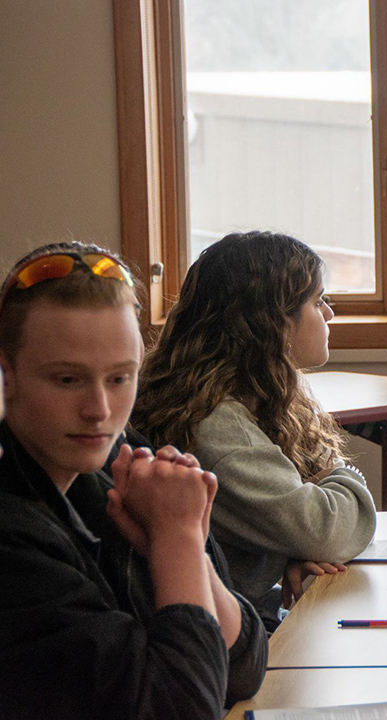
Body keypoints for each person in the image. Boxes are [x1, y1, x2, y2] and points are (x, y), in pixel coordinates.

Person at [0, 242, 267, 718]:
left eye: (120, 379)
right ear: (6, 375)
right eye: (67, 380)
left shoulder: (109, 468)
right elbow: (180, 709)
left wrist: (173, 551)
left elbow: (243, 663)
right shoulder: (12, 538)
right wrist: (179, 539)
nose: (99, 410)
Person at [133, 232, 376, 631]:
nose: (329, 314)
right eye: (317, 302)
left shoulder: (249, 399)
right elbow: (323, 528)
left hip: (239, 615)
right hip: (224, 636)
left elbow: (303, 532)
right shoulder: (216, 427)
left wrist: (292, 550)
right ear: (273, 323)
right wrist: (339, 480)